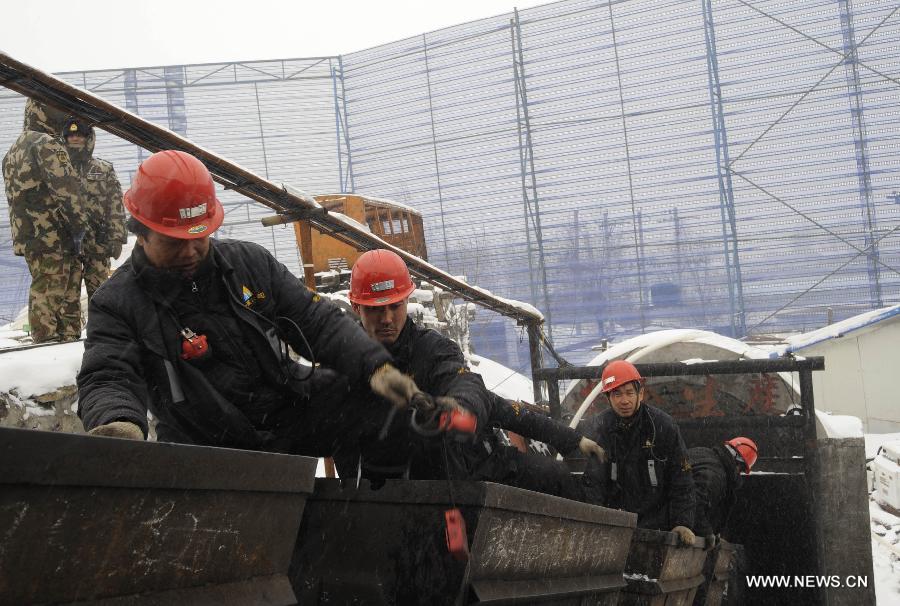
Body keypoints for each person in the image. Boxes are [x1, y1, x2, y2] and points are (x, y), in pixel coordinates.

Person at [77, 150, 420, 455]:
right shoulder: (118, 302)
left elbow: (316, 320)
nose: (190, 251)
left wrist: (374, 366)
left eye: (199, 236)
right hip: (204, 446)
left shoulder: (249, 264)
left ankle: (382, 507)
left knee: (391, 410)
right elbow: (108, 374)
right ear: (141, 232)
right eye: (175, 242)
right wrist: (117, 423)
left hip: (287, 412)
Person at [335, 248, 606, 501]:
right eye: (375, 309)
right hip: (399, 499)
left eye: (395, 306)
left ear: (407, 301)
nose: (386, 318)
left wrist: (571, 439)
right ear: (357, 307)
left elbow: (482, 396)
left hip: (475, 473)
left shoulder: (433, 352)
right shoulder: (345, 365)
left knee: (556, 479)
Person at [581, 359, 696, 545]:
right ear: (608, 398)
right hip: (617, 526)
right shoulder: (600, 429)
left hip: (659, 526)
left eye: (629, 393)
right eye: (616, 394)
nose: (624, 400)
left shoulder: (663, 426)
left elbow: (682, 478)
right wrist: (596, 521)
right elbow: (594, 483)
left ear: (640, 393)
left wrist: (682, 522)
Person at [2, 99, 89, 343]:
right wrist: (80, 226)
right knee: (53, 290)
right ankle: (48, 343)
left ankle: (62, 341)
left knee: (58, 286)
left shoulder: (12, 151)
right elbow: (67, 191)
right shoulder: (46, 143)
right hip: (54, 234)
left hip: (30, 236)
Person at [62, 118, 127, 300]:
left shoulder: (103, 169)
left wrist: (117, 237)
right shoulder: (58, 170)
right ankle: (70, 330)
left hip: (98, 242)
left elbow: (115, 204)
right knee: (68, 300)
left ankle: (101, 329)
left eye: (79, 135)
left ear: (88, 138)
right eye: (70, 135)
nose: (75, 138)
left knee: (101, 295)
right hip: (67, 244)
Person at [688, 436, 757, 546]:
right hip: (668, 524)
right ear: (738, 463)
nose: (739, 473)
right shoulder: (715, 476)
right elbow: (693, 505)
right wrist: (706, 532)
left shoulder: (702, 452)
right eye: (742, 470)